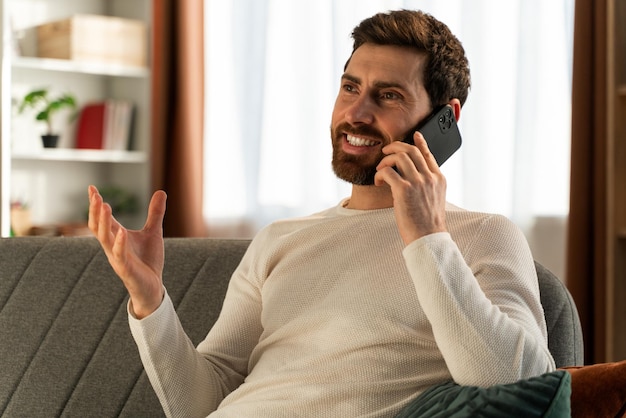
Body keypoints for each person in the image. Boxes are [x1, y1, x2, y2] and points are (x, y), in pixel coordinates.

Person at [88, 9, 555, 417]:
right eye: (350, 87)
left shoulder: (483, 236)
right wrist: (150, 302)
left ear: (445, 118)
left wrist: (427, 237)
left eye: (388, 95)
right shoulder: (279, 239)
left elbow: (517, 384)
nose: (356, 112)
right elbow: (199, 402)